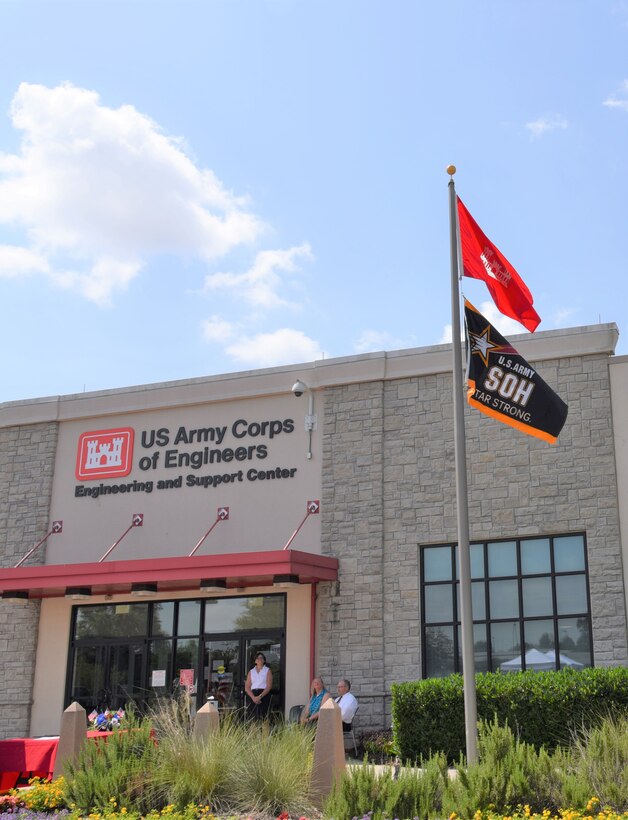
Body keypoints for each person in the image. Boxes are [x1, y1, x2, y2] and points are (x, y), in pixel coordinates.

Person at [244, 652, 273, 720]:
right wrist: (253, 698)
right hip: (253, 695)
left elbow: (269, 686)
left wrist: (260, 697)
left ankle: (265, 731)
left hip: (264, 695)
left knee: (264, 717)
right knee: (253, 717)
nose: (259, 659)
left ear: (264, 660)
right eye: (258, 658)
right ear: (255, 661)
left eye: (261, 658)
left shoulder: (267, 670)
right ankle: (254, 731)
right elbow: (247, 687)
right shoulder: (251, 672)